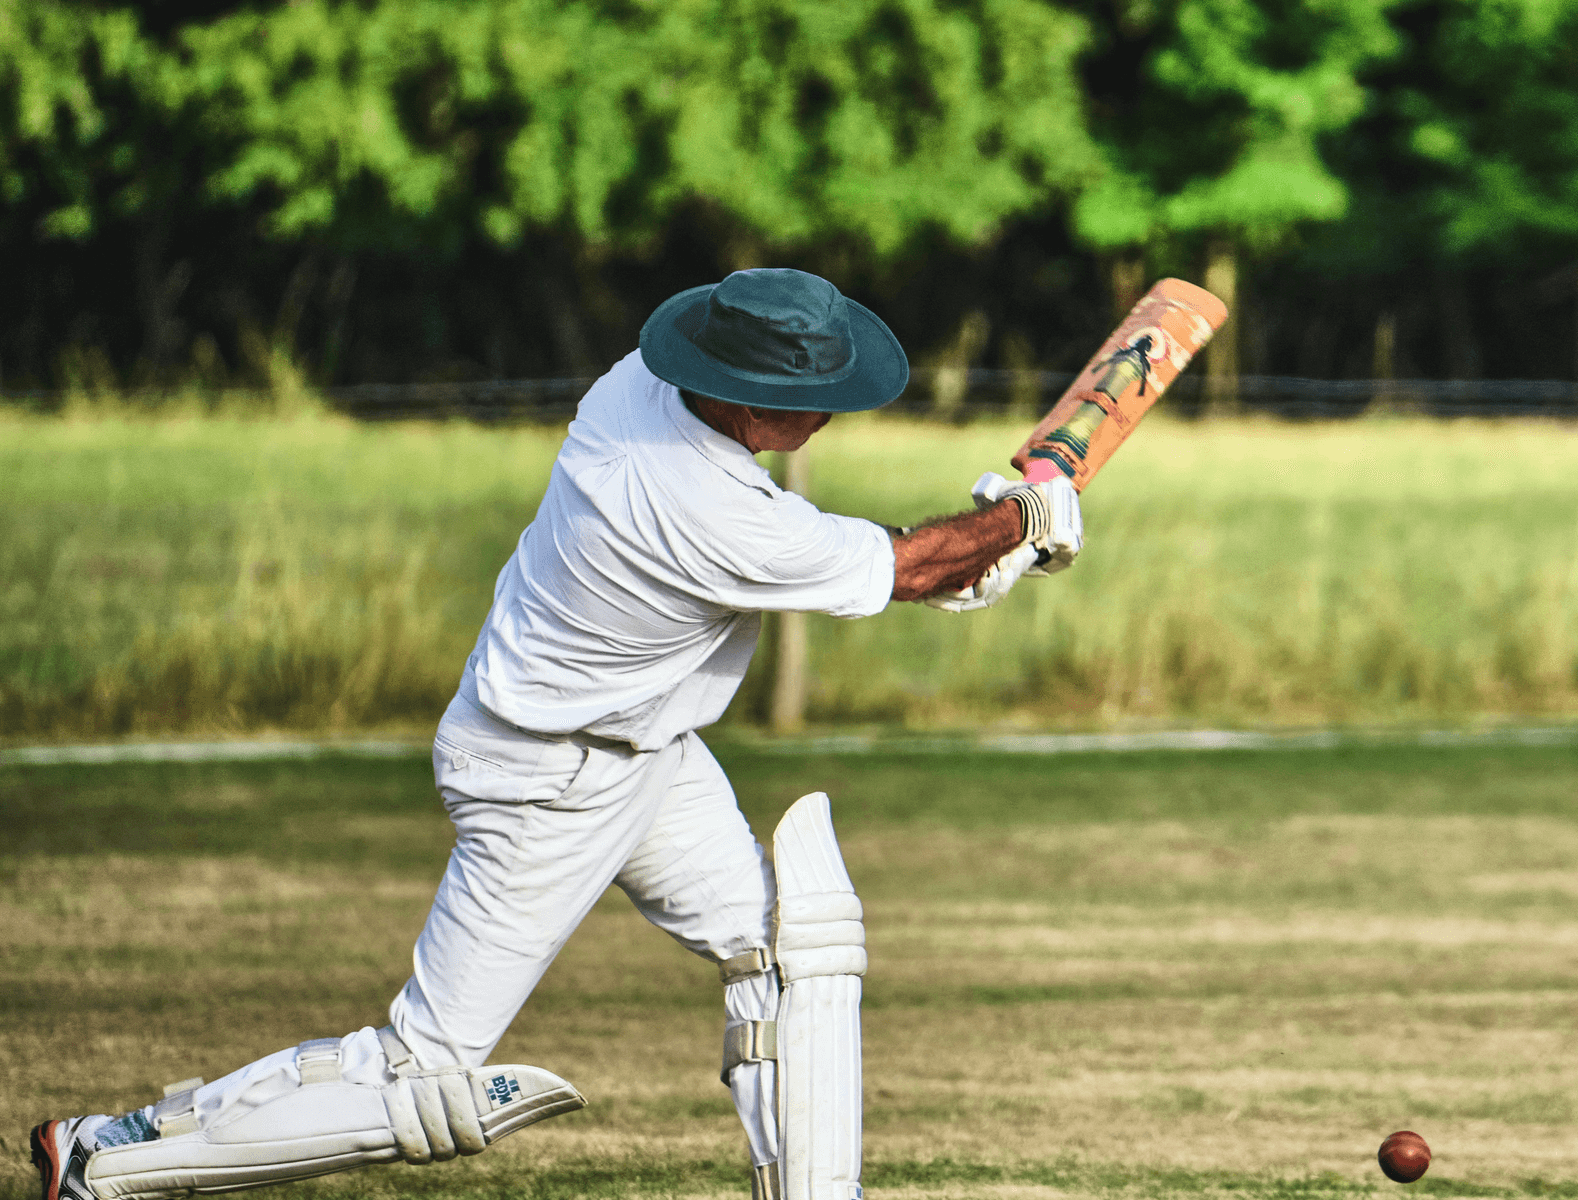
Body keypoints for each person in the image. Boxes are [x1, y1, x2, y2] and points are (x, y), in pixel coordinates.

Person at [31, 269, 1081, 1200]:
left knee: (791, 949)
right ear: (743, 394)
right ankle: (104, 1158)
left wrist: (994, 539)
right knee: (426, 1075)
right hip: (551, 781)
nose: (826, 417)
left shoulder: (641, 385)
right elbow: (904, 569)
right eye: (805, 399)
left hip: (644, 755)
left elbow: (907, 568)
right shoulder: (692, 505)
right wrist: (1025, 517)